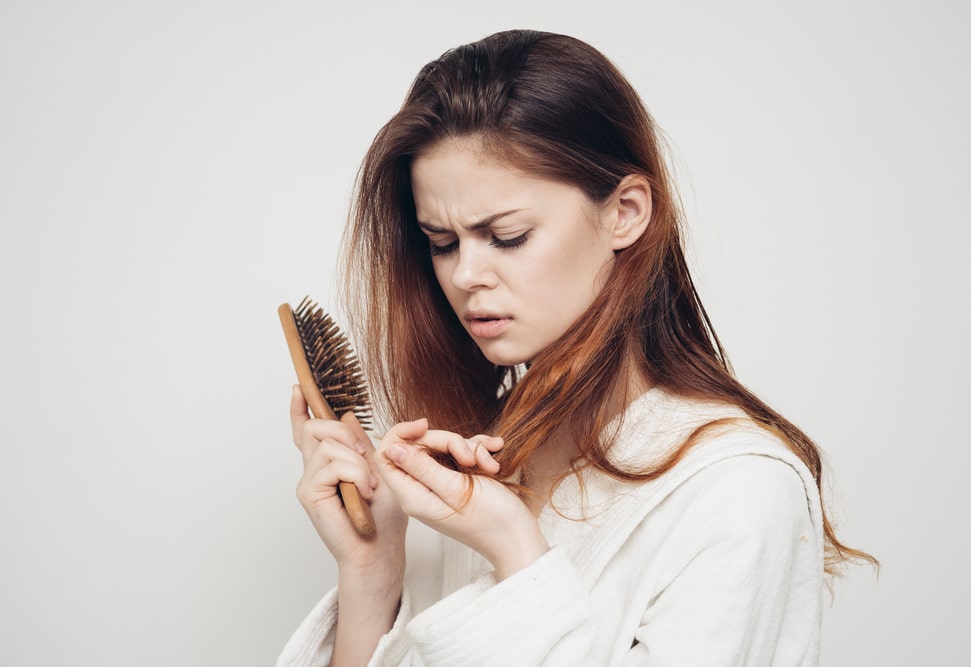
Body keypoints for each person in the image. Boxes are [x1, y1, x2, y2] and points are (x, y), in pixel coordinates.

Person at [277, 29, 875, 667]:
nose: (463, 275)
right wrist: (373, 571)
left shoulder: (738, 489)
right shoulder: (470, 462)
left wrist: (514, 548)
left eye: (506, 236)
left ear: (625, 213)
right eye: (442, 243)